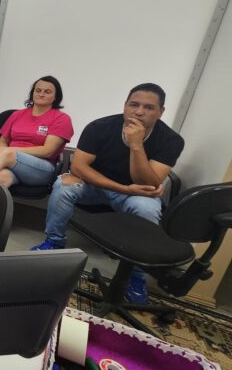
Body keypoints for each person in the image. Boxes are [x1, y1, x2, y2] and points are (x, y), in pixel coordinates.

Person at [31, 83, 185, 303]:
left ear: (161, 112)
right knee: (63, 185)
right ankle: (54, 242)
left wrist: (136, 145)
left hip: (136, 194)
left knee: (147, 207)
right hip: (98, 188)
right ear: (125, 106)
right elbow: (78, 167)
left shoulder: (171, 140)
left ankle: (136, 274)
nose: (139, 111)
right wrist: (122, 188)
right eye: (134, 104)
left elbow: (148, 183)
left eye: (149, 107)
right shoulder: (99, 127)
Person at [0, 76, 73, 188]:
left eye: (47, 92)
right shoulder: (17, 115)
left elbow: (47, 151)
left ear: (55, 97)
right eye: (38, 90)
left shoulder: (61, 118)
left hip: (42, 167)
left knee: (7, 154)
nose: (41, 94)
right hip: (10, 161)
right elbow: (2, 141)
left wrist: (10, 151)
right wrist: (6, 152)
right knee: (1, 178)